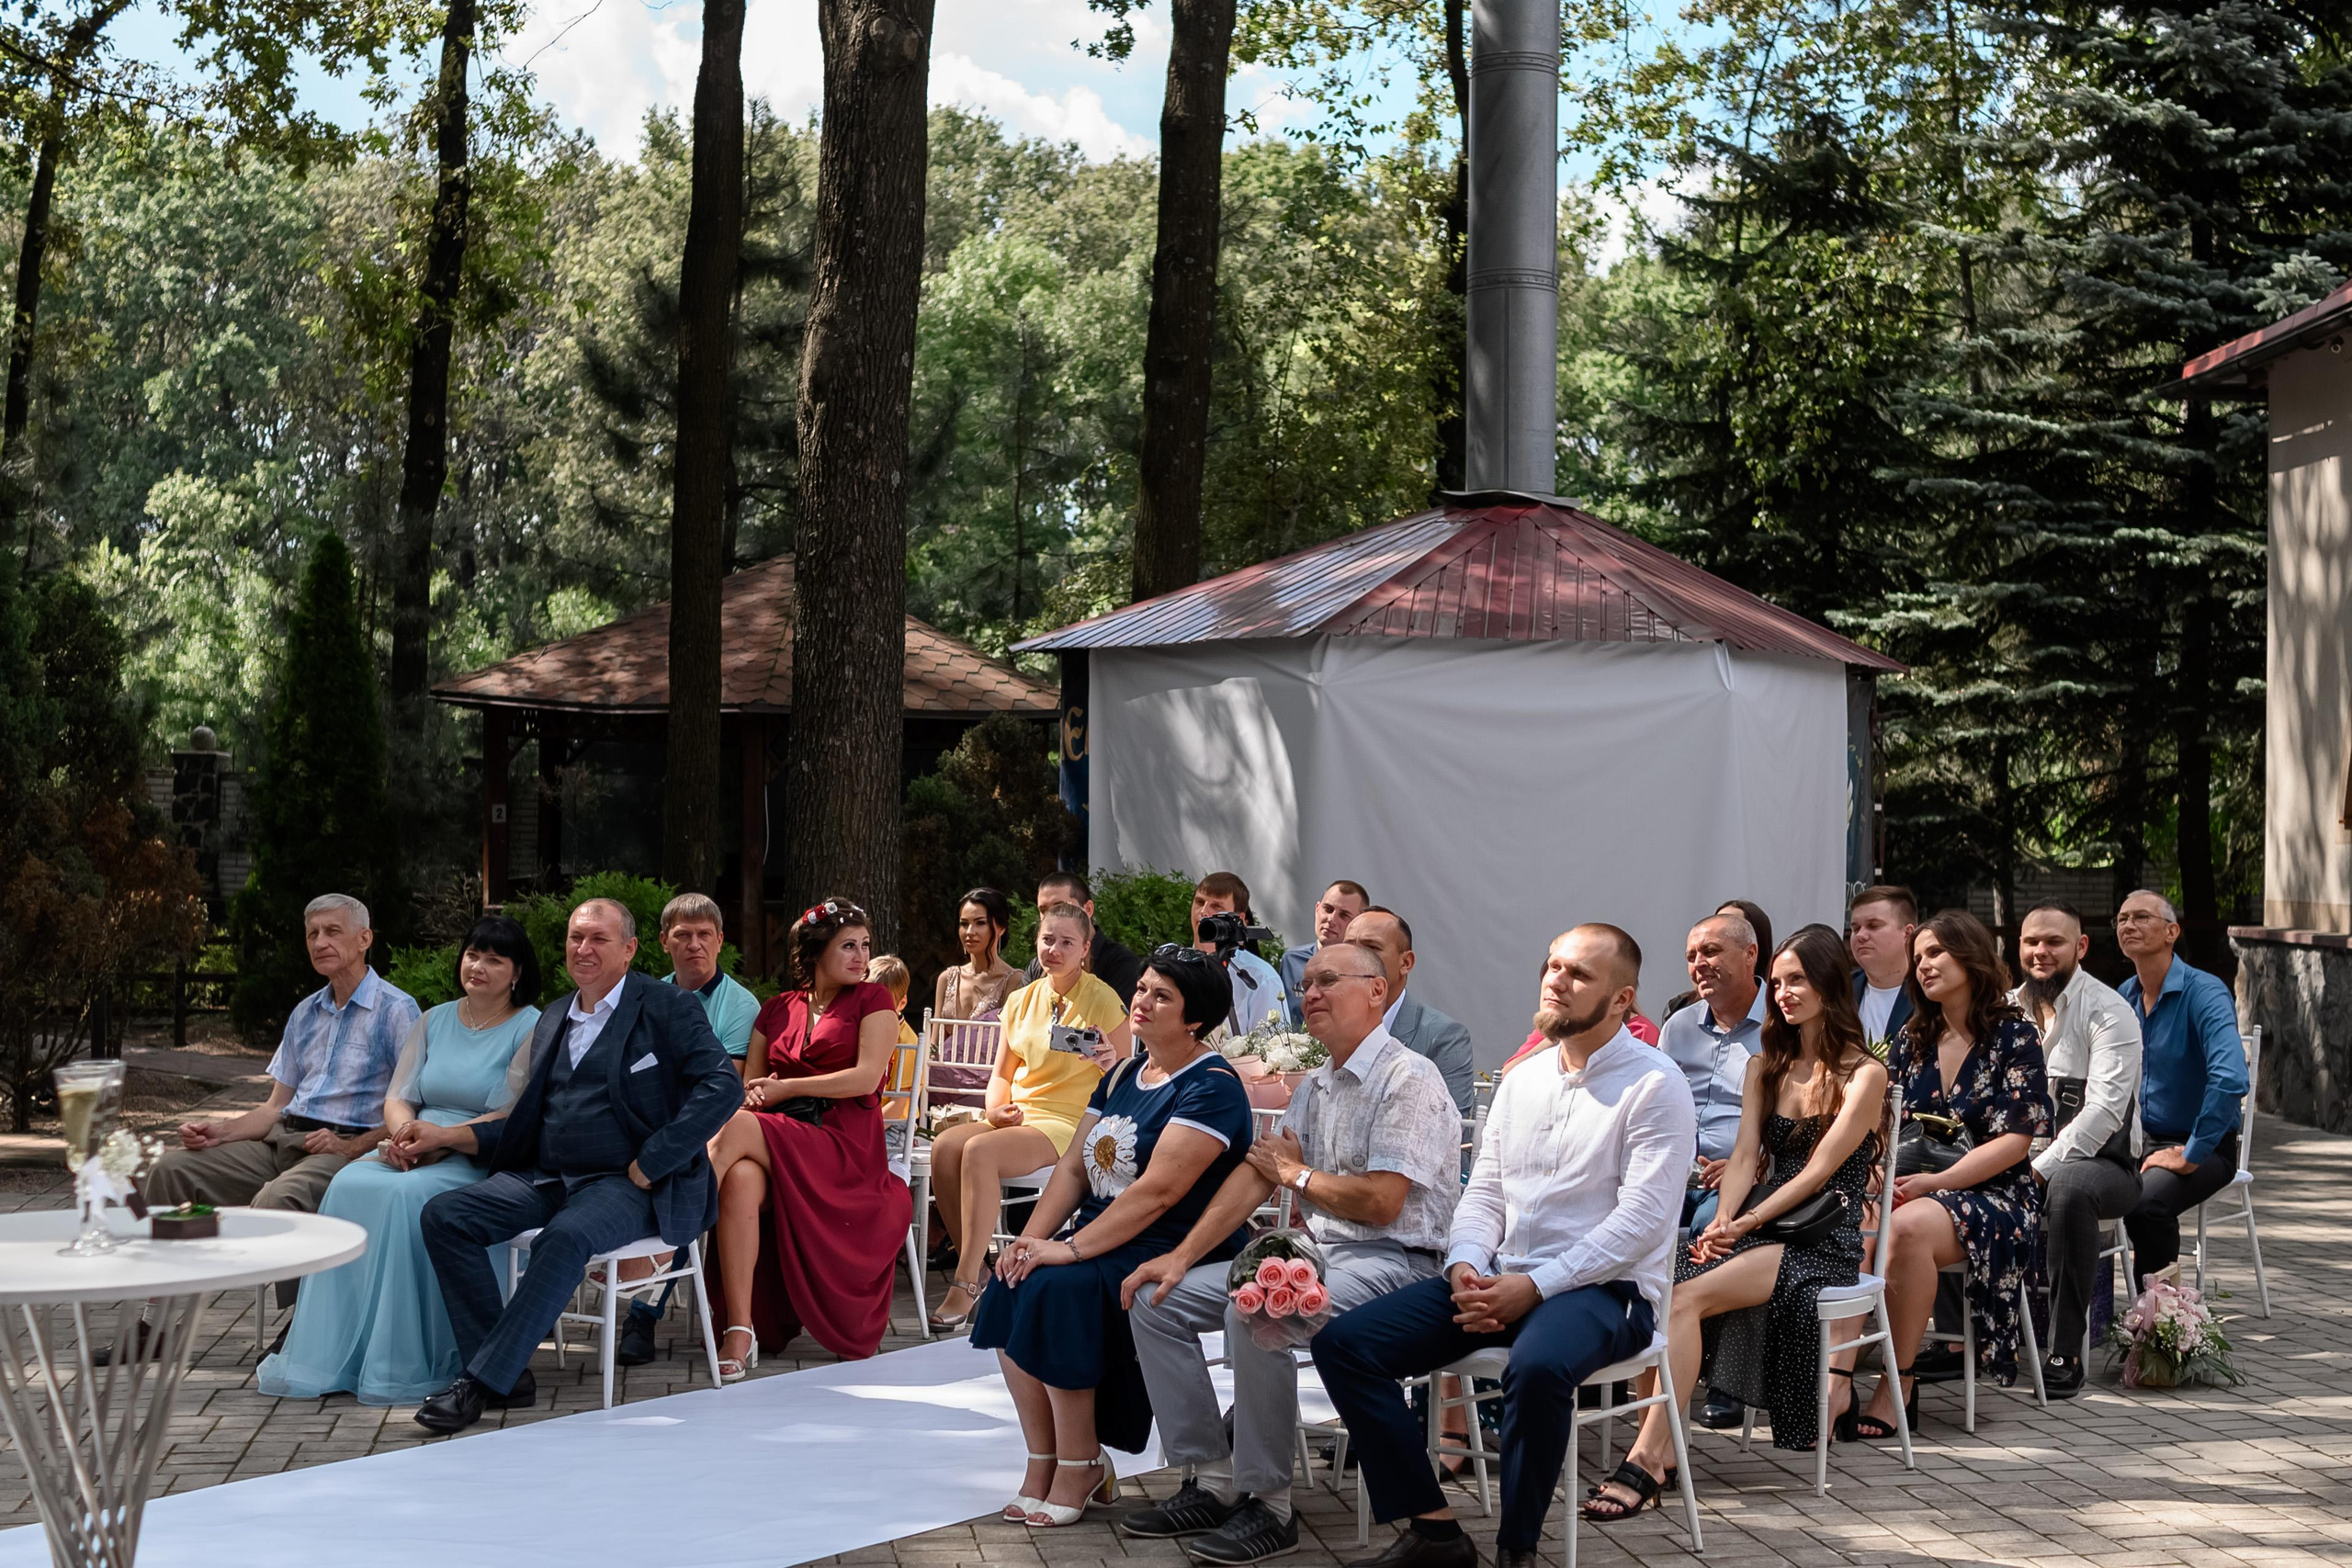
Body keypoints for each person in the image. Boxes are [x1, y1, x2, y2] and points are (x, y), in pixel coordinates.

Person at [1311, 926, 1695, 1568]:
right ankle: (1435, 1531)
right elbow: (1484, 1191)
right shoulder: (1523, 1080)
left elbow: (1642, 1221)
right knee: (1343, 1345)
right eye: (1551, 965)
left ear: (1622, 998)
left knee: (1538, 1367)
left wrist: (1535, 1286)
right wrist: (1465, 1265)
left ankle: (1517, 1549)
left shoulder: (1655, 1084)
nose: (1555, 979)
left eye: (1578, 972)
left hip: (1609, 1292)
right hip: (1504, 1277)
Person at [1120, 940, 1460, 1565]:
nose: (1311, 994)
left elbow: (1384, 1203)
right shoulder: (1318, 1083)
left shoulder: (1408, 1077)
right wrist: (1181, 1256)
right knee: (1154, 1296)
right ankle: (1213, 1478)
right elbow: (1260, 1173)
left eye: (1329, 980)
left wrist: (1298, 1176)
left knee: (1260, 1312)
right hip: (1318, 1254)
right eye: (1306, 983)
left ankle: (1269, 1505)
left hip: (1399, 1265)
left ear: (1377, 990)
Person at [409, 897, 741, 1433]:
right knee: (446, 1215)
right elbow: (528, 1117)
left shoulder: (667, 1008)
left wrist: (655, 1159)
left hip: (628, 1184)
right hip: (549, 1175)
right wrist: (449, 1137)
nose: (583, 949)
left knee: (562, 1238)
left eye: (599, 939)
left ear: (630, 949)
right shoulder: (557, 1015)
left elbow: (723, 1086)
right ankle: (506, 1372)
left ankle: (476, 1384)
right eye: (575, 938)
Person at [1586, 928, 1886, 1508]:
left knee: (1684, 1298)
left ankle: (1649, 1457)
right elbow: (1746, 1156)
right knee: (1658, 1281)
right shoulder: (1765, 1066)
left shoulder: (1864, 1074)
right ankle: (1664, 1447)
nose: (1784, 993)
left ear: (1829, 983)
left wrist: (1742, 1226)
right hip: (1760, 1223)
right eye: (1777, 983)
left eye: (1797, 980)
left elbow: (1818, 1172)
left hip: (1822, 1234)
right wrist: (1722, 1221)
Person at [971, 947, 1253, 1529]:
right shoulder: (1126, 1072)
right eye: (1143, 988)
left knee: (1057, 1289)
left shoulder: (1212, 1084)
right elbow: (1074, 1169)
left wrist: (1069, 1249)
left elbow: (1159, 1193)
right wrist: (1030, 1240)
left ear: (1194, 1018)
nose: (1141, 1002)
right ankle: (1044, 1458)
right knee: (1009, 1281)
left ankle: (1081, 1462)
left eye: (1161, 996)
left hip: (1169, 1241)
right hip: (1104, 1233)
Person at [258, 918, 541, 1404]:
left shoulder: (531, 1026)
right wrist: (403, 1134)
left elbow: (511, 1112)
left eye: (495, 959)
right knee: (348, 1184)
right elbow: (399, 1095)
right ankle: (340, 1350)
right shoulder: (434, 1019)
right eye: (473, 954)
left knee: (402, 1197)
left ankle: (402, 1356)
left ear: (516, 973)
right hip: (412, 1141)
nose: (478, 966)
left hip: (472, 1150)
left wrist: (443, 1138)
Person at [132, 894, 419, 1356]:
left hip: (347, 1147)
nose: (320, 942)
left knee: (276, 1199)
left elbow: (411, 1107)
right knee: (172, 1170)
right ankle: (156, 1326)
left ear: (364, 939)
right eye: (312, 934)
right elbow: (274, 1107)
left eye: (332, 931)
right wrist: (218, 1132)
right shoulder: (305, 1012)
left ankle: (305, 1323)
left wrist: (351, 1147)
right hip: (284, 1137)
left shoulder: (397, 1011)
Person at [1852, 910, 2052, 1438]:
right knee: (1859, 1214)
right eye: (1918, 958)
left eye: (1936, 953)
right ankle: (1833, 1374)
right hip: (1914, 1183)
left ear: (1971, 955)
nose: (1923, 965)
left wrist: (1936, 1185)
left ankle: (1899, 1383)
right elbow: (1882, 1129)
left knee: (1911, 1226)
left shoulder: (2015, 1033)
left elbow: (2016, 1141)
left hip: (1999, 1194)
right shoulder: (1913, 1038)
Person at [704, 898, 914, 1372]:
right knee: (737, 1180)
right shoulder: (776, 1008)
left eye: (865, 946)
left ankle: (664, 1242)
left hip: (845, 1143)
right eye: (848, 947)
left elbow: (865, 1079)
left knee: (734, 1131)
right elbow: (751, 1090)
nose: (861, 957)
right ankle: (740, 1329)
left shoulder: (873, 1000)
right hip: (782, 1136)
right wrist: (766, 1095)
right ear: (817, 951)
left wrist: (787, 1087)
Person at [928, 901, 1131, 1329]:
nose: (1054, 950)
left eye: (1066, 942)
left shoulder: (1104, 999)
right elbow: (1002, 1073)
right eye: (1047, 940)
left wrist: (1109, 1059)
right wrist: (994, 1107)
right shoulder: (1021, 999)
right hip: (1019, 1113)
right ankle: (980, 1266)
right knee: (946, 1146)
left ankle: (964, 1282)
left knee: (980, 1152)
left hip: (1070, 1119)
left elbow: (1127, 1078)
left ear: (1085, 948)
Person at [2013, 902, 2142, 1397]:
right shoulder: (2003, 1009)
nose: (2041, 952)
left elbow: (2103, 1115)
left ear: (2080, 947)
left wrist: (2036, 1172)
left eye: (2054, 942)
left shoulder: (2109, 1012)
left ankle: (2064, 1348)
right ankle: (1961, 1341)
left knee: (2069, 1187)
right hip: (2018, 1160)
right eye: (2031, 942)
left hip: (2106, 1166)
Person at [2114, 889, 2249, 1287]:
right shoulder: (2125, 996)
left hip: (2204, 1146)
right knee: (2070, 1188)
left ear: (2172, 931)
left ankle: (2159, 1325)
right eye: (2121, 919)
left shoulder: (2204, 992)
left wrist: (2191, 1154)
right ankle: (2088, 1319)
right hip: (2138, 1141)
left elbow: (2230, 1078)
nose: (2128, 925)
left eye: (2141, 917)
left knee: (2144, 1204)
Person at [1656, 911, 1766, 1240]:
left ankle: (1688, 1293)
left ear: (1750, 954)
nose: (1698, 964)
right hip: (1671, 1175)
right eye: (1691, 956)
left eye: (1711, 951)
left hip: (1745, 1180)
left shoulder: (1784, 1027)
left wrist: (1754, 1164)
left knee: (1709, 1225)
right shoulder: (1678, 1027)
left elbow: (1799, 1118)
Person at [1344, 908, 1476, 1115]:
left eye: (1372, 947)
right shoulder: (1330, 1025)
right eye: (1348, 947)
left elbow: (1458, 1135)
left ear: (1406, 963)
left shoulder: (1443, 1037)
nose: (1355, 957)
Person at [660, 893, 761, 1067]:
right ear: (664, 942)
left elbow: (727, 1084)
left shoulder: (741, 1006)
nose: (694, 945)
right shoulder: (650, 998)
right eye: (683, 935)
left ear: (719, 941)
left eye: (704, 934)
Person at [1021, 872, 1146, 1004]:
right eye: (1044, 910)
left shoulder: (1121, 964)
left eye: (1061, 907)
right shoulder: (1038, 966)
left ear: (1088, 909)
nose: (1052, 916)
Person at [1278, 878, 1372, 1023]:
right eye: (1327, 909)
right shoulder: (1292, 961)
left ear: (1360, 921)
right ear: (1317, 909)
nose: (1331, 919)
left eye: (1343, 915)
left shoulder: (1366, 969)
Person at [1847, 885, 1917, 1050]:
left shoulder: (1931, 993)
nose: (1861, 936)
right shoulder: (1840, 992)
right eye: (1855, 928)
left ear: (1907, 933)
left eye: (1873, 926)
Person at [936, 886, 1021, 1021]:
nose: (969, 931)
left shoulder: (1014, 981)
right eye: (964, 924)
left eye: (980, 923)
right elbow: (934, 1038)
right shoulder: (947, 979)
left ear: (1001, 928)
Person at [866, 954, 921, 1044]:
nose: (872, 1008)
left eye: (882, 1004)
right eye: (868, 999)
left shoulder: (906, 1042)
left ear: (902, 1003)